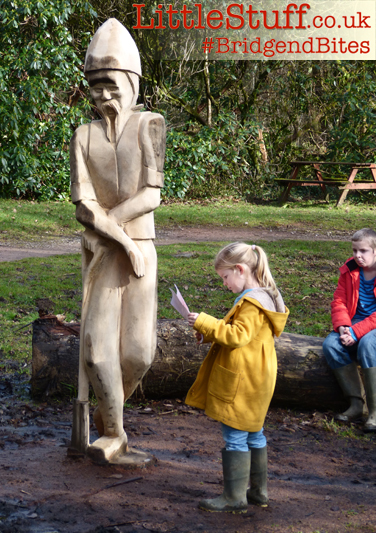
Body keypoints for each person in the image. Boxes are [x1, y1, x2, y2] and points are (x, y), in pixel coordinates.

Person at [69, 19, 166, 463]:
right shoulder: (82, 137)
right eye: (94, 87)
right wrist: (113, 237)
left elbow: (151, 194)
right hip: (104, 253)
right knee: (96, 348)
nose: (102, 95)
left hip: (139, 248)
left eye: (109, 85)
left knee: (138, 352)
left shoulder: (151, 125)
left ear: (130, 81)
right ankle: (115, 433)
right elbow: (83, 205)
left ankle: (112, 416)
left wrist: (119, 230)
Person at [185, 242, 289, 513]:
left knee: (235, 435)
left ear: (240, 269)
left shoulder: (252, 303)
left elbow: (237, 336)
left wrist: (205, 322)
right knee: (255, 433)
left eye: (225, 277)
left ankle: (235, 498)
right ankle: (258, 492)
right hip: (257, 376)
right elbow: (242, 333)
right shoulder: (264, 296)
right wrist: (208, 333)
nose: (224, 283)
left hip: (243, 380)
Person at [323, 228, 376, 432]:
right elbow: (339, 301)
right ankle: (356, 404)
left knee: (368, 344)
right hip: (354, 324)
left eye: (363, 251)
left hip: (371, 327)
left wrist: (356, 333)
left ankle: (374, 411)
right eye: (354, 250)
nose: (357, 255)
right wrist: (344, 326)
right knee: (331, 345)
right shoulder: (349, 269)